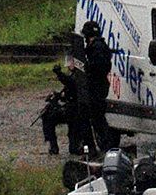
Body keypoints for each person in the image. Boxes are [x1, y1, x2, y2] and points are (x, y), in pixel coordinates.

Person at [81, 20, 121, 152]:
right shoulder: (99, 46)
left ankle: (107, 145)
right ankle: (105, 145)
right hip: (99, 84)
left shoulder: (97, 48)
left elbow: (97, 67)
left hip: (97, 85)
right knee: (96, 117)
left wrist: (85, 66)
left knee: (97, 118)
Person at [40, 64, 94, 155]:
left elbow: (71, 83)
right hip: (70, 107)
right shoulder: (72, 74)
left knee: (73, 148)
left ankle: (78, 145)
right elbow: (69, 91)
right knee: (47, 115)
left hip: (78, 110)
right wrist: (58, 96)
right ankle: (53, 146)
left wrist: (59, 74)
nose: (69, 65)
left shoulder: (81, 75)